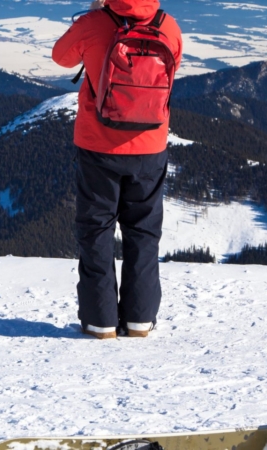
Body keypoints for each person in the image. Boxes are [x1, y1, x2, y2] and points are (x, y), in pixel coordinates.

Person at [52, 0, 183, 339]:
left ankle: (100, 322)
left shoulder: (95, 22)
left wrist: (94, 14)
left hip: (98, 145)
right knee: (143, 231)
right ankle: (139, 321)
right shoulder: (168, 26)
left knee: (97, 229)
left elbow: (61, 56)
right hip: (150, 145)